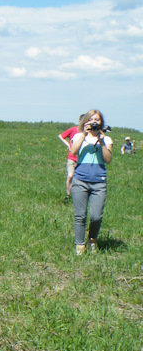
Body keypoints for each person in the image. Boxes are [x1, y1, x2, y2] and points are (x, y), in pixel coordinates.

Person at [69, 109, 113, 255]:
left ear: (101, 123)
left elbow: (108, 159)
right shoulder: (78, 136)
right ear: (85, 121)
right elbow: (73, 151)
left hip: (99, 182)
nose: (94, 122)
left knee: (96, 216)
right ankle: (80, 245)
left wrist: (101, 141)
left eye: (97, 120)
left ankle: (92, 239)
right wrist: (83, 134)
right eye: (91, 119)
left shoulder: (106, 140)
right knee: (80, 216)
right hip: (80, 180)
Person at [58, 117, 83, 197]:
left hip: (81, 158)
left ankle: (76, 195)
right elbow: (61, 136)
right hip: (72, 157)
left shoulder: (88, 133)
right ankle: (68, 194)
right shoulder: (73, 130)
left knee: (78, 179)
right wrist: (68, 145)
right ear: (79, 121)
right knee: (70, 176)